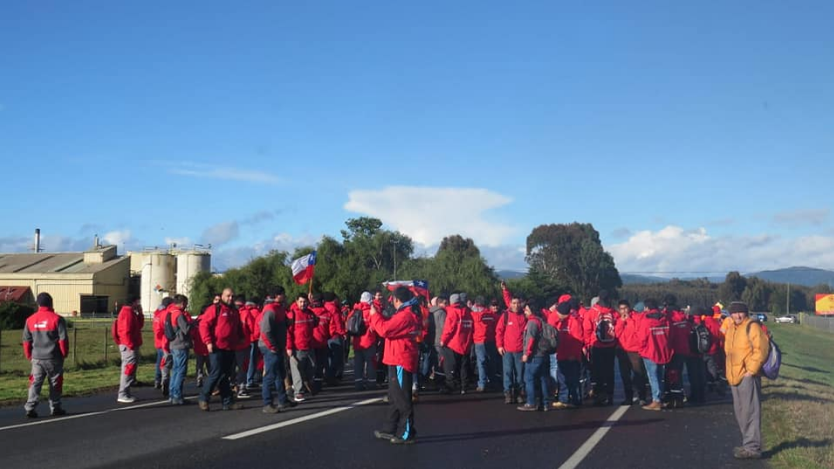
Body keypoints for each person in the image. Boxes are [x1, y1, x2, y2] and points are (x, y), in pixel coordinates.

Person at [370, 286, 420, 445]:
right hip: (396, 357)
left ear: (398, 300)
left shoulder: (405, 316)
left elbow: (385, 330)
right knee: (394, 397)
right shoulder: (408, 313)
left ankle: (407, 433)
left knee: (402, 399)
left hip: (400, 359)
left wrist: (374, 316)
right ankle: (389, 428)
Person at [724, 301, 768, 460]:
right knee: (741, 412)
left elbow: (761, 350)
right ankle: (747, 444)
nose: (737, 315)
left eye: (740, 312)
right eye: (734, 313)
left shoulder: (752, 326)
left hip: (747, 376)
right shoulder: (731, 329)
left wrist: (751, 371)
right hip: (734, 376)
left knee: (750, 412)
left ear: (746, 313)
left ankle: (753, 448)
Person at [22, 293, 68, 418]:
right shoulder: (57, 319)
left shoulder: (30, 320)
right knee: (55, 382)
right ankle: (55, 406)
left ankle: (30, 407)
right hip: (54, 357)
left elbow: (26, 340)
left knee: (35, 382)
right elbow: (63, 339)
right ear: (51, 303)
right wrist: (64, 353)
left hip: (37, 358)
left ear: (38, 304)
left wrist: (29, 355)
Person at [198, 288, 245, 411]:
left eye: (232, 296)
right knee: (216, 373)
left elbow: (238, 326)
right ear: (222, 296)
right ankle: (204, 397)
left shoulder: (234, 311)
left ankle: (227, 401)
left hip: (230, 347)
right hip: (217, 346)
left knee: (225, 375)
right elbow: (204, 325)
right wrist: (208, 342)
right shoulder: (215, 309)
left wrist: (240, 337)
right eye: (228, 296)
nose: (230, 298)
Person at [259, 287, 297, 413]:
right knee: (270, 375)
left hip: (278, 346)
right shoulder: (270, 310)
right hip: (271, 347)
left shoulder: (279, 309)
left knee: (280, 374)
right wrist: (272, 346)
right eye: (282, 294)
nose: (285, 296)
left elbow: (282, 323)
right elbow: (265, 331)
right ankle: (267, 403)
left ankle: (283, 400)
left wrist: (288, 322)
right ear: (276, 296)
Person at [633, 299, 673, 411]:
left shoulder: (646, 320)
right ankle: (660, 397)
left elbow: (642, 338)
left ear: (646, 308)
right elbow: (670, 335)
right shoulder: (665, 319)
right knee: (660, 376)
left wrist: (641, 350)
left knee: (653, 377)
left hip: (650, 352)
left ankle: (656, 400)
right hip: (662, 351)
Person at [583, 290, 618, 406]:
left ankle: (599, 394)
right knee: (610, 371)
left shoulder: (592, 312)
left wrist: (587, 344)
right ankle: (610, 395)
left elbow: (587, 329)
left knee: (598, 371)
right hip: (611, 346)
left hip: (596, 345)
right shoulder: (613, 312)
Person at [496, 281, 527, 404]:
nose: (516, 305)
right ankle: (508, 393)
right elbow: (499, 331)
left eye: (518, 303)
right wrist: (499, 346)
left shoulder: (525, 316)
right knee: (508, 373)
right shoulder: (505, 316)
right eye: (513, 303)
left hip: (520, 351)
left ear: (521, 304)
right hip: (507, 350)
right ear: (510, 304)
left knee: (520, 375)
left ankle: (519, 393)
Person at [550, 301, 583, 409]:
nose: (557, 315)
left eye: (559, 313)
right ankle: (563, 399)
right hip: (561, 354)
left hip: (572, 357)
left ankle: (576, 399)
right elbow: (551, 326)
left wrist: (574, 354)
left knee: (573, 379)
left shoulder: (574, 322)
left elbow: (578, 340)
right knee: (562, 378)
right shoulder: (559, 321)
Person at [518, 304, 551, 412]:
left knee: (528, 378)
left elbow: (530, 339)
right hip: (543, 355)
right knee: (543, 378)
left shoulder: (532, 323)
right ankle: (545, 403)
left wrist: (526, 354)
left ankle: (531, 402)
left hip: (535, 356)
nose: (525, 312)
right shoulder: (541, 320)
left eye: (527, 310)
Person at [614, 299, 648, 405]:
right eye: (621, 309)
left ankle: (642, 396)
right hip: (622, 351)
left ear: (629, 308)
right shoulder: (618, 320)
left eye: (625, 308)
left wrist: (628, 320)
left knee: (639, 374)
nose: (623, 311)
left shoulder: (636, 318)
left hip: (634, 351)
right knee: (625, 375)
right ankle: (628, 397)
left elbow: (636, 331)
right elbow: (616, 334)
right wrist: (621, 322)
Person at [439, 293, 474, 394]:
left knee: (451, 366)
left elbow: (449, 328)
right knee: (464, 367)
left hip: (454, 344)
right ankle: (464, 387)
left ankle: (451, 385)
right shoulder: (468, 312)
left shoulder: (452, 311)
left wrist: (443, 340)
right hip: (466, 343)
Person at [287, 293, 318, 401]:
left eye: (305, 302)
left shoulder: (310, 313)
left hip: (309, 346)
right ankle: (298, 392)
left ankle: (305, 385)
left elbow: (315, 323)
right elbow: (288, 333)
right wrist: (289, 347)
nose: (303, 304)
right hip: (297, 348)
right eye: (300, 301)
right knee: (297, 371)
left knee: (312, 367)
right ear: (296, 302)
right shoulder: (292, 314)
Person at [116, 297, 144, 404]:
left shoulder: (131, 313)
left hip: (129, 344)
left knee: (129, 369)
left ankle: (125, 392)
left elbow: (139, 325)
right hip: (129, 346)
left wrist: (140, 313)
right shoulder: (127, 313)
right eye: (137, 302)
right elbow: (125, 331)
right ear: (134, 302)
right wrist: (130, 345)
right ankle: (123, 393)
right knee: (128, 369)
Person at [167, 295, 192, 405]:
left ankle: (172, 394)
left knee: (175, 370)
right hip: (181, 344)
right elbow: (186, 329)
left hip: (173, 344)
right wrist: (192, 324)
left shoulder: (170, 312)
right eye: (186, 303)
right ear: (182, 303)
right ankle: (177, 395)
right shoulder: (179, 315)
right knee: (181, 371)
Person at [471, 297, 499, 392]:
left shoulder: (473, 315)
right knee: (491, 362)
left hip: (479, 341)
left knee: (481, 362)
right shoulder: (491, 315)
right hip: (490, 340)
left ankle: (482, 384)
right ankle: (493, 381)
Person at [352, 292, 379, 390]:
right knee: (371, 363)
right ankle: (371, 383)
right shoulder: (371, 311)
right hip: (369, 341)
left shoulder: (355, 310)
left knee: (358, 364)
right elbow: (376, 325)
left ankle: (358, 383)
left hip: (357, 342)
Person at [152, 297, 174, 392]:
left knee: (159, 362)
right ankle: (163, 380)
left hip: (158, 341)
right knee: (165, 362)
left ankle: (157, 380)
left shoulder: (157, 313)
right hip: (163, 341)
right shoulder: (165, 314)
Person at [324, 292, 346, 385]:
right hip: (335, 335)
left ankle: (328, 375)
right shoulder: (334, 309)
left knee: (329, 358)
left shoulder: (324, 307)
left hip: (326, 335)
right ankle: (331, 377)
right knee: (337, 357)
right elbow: (338, 323)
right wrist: (343, 333)